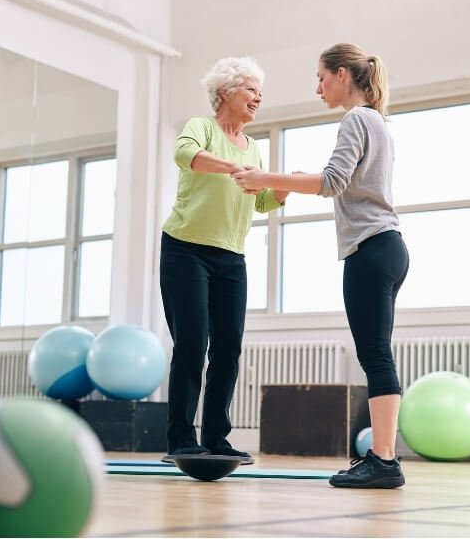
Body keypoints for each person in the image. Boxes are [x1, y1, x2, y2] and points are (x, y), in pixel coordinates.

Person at [232, 43, 409, 488]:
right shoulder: (379, 123)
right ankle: (385, 459)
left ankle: (385, 461)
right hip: (388, 247)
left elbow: (332, 182)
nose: (318, 88)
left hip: (371, 249)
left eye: (321, 77)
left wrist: (266, 178)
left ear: (344, 74)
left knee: (374, 356)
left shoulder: (357, 118)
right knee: (378, 354)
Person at [160, 57, 288, 463]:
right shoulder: (202, 127)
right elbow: (186, 155)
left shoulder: (255, 148)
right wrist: (233, 167)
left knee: (228, 348)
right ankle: (181, 437)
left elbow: (261, 199)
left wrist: (281, 190)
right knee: (192, 344)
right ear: (226, 92)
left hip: (231, 257)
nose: (258, 96)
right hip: (185, 249)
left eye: (259, 91)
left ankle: (217, 436)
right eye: (250, 89)